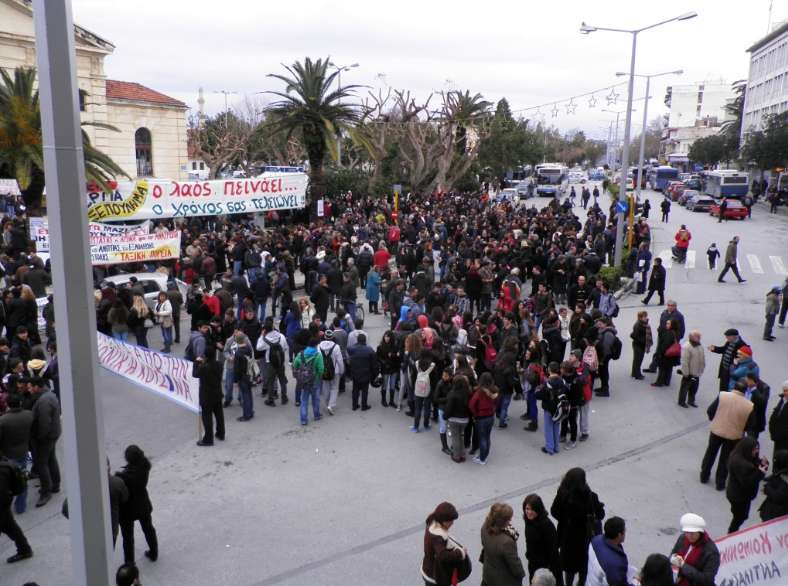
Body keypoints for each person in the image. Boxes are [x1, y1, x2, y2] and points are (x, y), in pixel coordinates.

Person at [550, 467, 605, 586]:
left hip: (567, 537)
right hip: (585, 537)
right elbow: (600, 515)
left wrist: (565, 520)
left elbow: (554, 511)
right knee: (584, 565)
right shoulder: (590, 496)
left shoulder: (563, 495)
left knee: (569, 568)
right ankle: (581, 583)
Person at [700, 385, 754, 491]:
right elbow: (750, 424)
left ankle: (704, 475)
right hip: (734, 435)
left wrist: (714, 420)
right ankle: (720, 482)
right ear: (745, 391)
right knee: (726, 458)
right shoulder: (749, 405)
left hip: (717, 430)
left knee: (710, 453)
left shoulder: (723, 395)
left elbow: (710, 410)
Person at [117, 445, 158, 565]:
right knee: (148, 528)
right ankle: (154, 552)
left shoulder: (124, 477)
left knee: (127, 536)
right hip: (143, 504)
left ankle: (129, 562)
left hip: (127, 509)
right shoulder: (144, 466)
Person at [725, 436, 768, 533]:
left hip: (736, 493)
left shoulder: (739, 455)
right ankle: (732, 532)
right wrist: (762, 470)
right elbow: (749, 482)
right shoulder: (742, 464)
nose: (756, 451)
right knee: (740, 517)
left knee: (740, 515)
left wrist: (761, 464)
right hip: (739, 496)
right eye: (754, 449)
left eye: (757, 448)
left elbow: (754, 462)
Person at [421, 502, 468, 586]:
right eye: (450, 521)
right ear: (443, 521)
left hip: (428, 568)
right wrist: (460, 553)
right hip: (436, 575)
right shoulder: (438, 538)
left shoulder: (432, 523)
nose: (452, 523)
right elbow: (443, 555)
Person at [0, 394, 32, 515]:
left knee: (7, 483)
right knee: (23, 478)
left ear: (7, 404)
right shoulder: (29, 415)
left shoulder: (3, 420)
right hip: (24, 451)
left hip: (8, 455)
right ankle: (20, 506)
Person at [30, 378, 60, 507]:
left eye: (31, 387)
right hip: (52, 434)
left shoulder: (44, 401)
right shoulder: (49, 395)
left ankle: (46, 492)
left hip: (46, 437)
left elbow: (44, 424)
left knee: (41, 464)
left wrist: (40, 437)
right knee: (51, 459)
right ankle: (55, 484)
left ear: (38, 387)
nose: (30, 389)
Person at [480, 502, 526, 586]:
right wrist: (521, 574)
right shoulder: (507, 542)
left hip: (488, 575)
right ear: (503, 521)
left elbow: (484, 544)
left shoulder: (485, 527)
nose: (510, 520)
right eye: (509, 519)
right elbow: (515, 564)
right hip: (504, 581)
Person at [669, 513, 720, 586]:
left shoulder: (711, 552)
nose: (689, 536)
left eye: (692, 533)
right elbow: (672, 554)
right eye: (687, 532)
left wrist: (683, 566)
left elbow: (707, 580)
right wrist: (672, 559)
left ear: (700, 532)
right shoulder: (683, 538)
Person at [523, 494, 562, 586]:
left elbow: (553, 550)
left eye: (532, 509)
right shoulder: (529, 521)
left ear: (538, 509)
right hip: (534, 564)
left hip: (546, 568)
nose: (529, 512)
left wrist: (550, 569)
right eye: (527, 509)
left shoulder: (547, 525)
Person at [0, 454, 32, 564]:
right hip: (4, 505)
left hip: (2, 506)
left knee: (11, 527)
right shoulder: (4, 463)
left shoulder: (2, 470)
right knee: (11, 527)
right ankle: (25, 550)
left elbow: (2, 495)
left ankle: (25, 550)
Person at [586, 517, 634, 586]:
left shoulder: (596, 540)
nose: (625, 532)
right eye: (624, 530)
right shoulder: (614, 564)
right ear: (619, 535)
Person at [195, 348, 225, 446]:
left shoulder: (203, 367)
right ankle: (221, 433)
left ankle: (208, 439)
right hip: (217, 393)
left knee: (207, 417)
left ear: (206, 356)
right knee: (219, 414)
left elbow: (195, 374)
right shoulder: (219, 364)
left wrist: (197, 362)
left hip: (207, 396)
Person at [535, 362, 567, 454]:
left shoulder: (548, 383)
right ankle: (556, 447)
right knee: (556, 427)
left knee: (548, 428)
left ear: (549, 370)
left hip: (549, 408)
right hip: (559, 407)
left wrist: (537, 389)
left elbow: (539, 395)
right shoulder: (562, 381)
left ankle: (549, 448)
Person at [257, 317, 289, 407]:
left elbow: (258, 347)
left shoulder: (265, 339)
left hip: (270, 363)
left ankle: (271, 400)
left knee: (271, 381)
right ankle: (284, 398)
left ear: (265, 330)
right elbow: (286, 347)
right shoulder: (281, 336)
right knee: (282, 380)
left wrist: (261, 336)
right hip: (280, 362)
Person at [292, 337, 325, 426]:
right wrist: (318, 377)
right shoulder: (318, 355)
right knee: (315, 399)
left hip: (304, 380)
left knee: (304, 400)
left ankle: (303, 419)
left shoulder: (300, 354)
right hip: (315, 380)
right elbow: (321, 369)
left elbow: (295, 365)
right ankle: (317, 415)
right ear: (316, 345)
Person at [469, 372, 499, 465]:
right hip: (490, 417)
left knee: (482, 438)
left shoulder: (479, 392)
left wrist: (475, 414)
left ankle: (482, 459)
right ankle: (484, 455)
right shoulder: (495, 390)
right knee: (487, 437)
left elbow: (471, 405)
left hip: (481, 417)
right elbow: (497, 402)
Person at [347, 333, 378, 412]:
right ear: (365, 340)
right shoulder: (369, 350)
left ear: (357, 340)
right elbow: (374, 364)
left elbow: (348, 350)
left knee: (355, 390)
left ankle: (354, 405)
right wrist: (375, 374)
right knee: (365, 390)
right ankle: (364, 406)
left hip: (355, 372)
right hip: (366, 373)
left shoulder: (352, 349)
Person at [445, 376, 472, 463]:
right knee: (460, 436)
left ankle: (457, 456)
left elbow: (449, 408)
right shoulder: (468, 392)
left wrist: (445, 416)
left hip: (454, 420)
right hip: (465, 419)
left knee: (455, 438)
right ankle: (463, 455)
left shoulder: (452, 393)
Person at [318, 329, 345, 416]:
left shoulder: (319, 346)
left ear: (324, 337)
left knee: (325, 387)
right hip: (335, 371)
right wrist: (342, 370)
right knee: (334, 388)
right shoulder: (336, 347)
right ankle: (331, 405)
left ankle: (327, 403)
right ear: (332, 337)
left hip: (324, 370)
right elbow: (340, 360)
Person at [759, 450, 788, 521]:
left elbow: (778, 497)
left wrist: (767, 488)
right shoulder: (783, 472)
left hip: (777, 514)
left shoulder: (785, 480)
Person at [678, 331, 705, 408]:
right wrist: (685, 373)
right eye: (697, 337)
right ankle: (681, 401)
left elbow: (702, 357)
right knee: (685, 388)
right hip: (689, 373)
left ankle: (691, 401)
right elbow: (684, 361)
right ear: (691, 337)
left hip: (697, 372)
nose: (699, 338)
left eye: (699, 336)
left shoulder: (699, 346)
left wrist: (702, 368)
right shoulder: (687, 347)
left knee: (694, 388)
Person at [232, 332, 255, 422]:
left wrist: (235, 380)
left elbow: (237, 368)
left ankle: (246, 415)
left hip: (242, 376)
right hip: (249, 374)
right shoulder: (248, 348)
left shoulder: (238, 353)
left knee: (245, 395)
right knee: (249, 393)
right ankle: (250, 411)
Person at [630, 311, 652, 380]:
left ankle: (634, 373)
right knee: (638, 360)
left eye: (646, 316)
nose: (646, 318)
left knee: (637, 359)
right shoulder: (638, 325)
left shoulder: (644, 324)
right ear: (640, 317)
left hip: (640, 345)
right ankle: (637, 374)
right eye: (644, 316)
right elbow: (634, 335)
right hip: (638, 345)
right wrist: (643, 341)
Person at [769, 381, 788, 453]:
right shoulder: (782, 401)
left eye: (787, 391)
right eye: (784, 391)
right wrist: (773, 432)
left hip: (784, 439)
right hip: (777, 437)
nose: (785, 393)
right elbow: (774, 416)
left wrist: (782, 434)